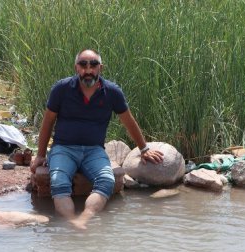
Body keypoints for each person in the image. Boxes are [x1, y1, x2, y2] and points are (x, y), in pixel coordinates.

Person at [30, 49, 164, 229]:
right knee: (58, 181)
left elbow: (128, 121)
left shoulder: (112, 92)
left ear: (100, 68)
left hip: (94, 150)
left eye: (93, 65)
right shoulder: (62, 88)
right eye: (83, 65)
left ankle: (84, 219)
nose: (88, 70)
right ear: (76, 67)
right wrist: (40, 155)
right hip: (63, 148)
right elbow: (47, 122)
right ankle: (71, 221)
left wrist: (144, 149)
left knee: (106, 180)